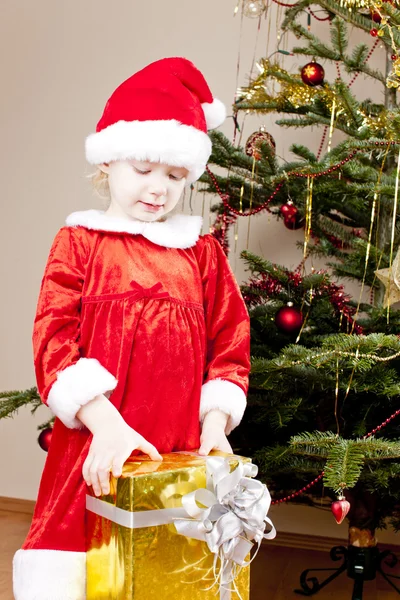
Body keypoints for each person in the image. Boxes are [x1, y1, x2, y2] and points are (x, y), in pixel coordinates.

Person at [13, 57, 250, 600]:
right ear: (109, 163)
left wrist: (215, 427)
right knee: (81, 566)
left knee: (167, 571)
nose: (158, 188)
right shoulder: (80, 244)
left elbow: (230, 346)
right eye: (143, 170)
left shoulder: (202, 253)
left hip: (177, 450)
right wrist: (108, 427)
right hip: (97, 443)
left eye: (174, 176)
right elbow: (53, 344)